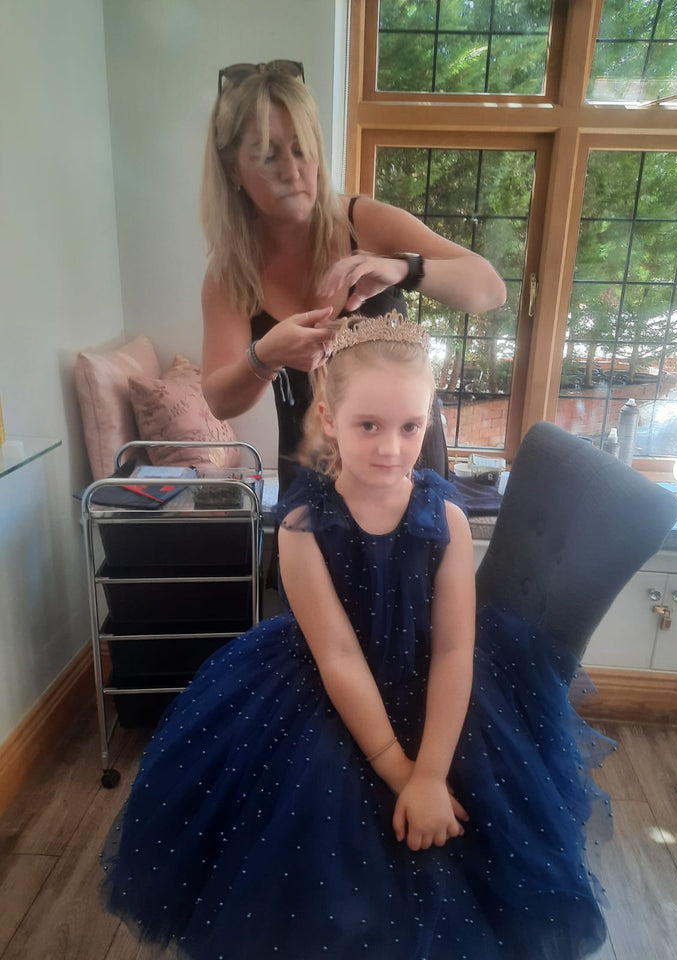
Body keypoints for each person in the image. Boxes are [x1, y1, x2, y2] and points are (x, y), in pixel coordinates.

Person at [101, 312, 613, 960]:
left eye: (410, 426)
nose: (392, 448)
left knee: (465, 836)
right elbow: (338, 656)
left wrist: (431, 772)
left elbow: (457, 647)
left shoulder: (447, 519)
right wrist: (400, 771)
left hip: (442, 684)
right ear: (328, 418)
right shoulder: (302, 528)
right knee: (314, 825)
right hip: (321, 685)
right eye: (368, 425)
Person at [199, 60, 507, 495]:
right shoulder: (231, 274)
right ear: (233, 169)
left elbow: (489, 289)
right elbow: (218, 399)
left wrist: (403, 268)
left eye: (302, 148)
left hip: (404, 471)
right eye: (268, 155)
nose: (292, 170)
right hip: (314, 481)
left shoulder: (364, 222)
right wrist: (265, 356)